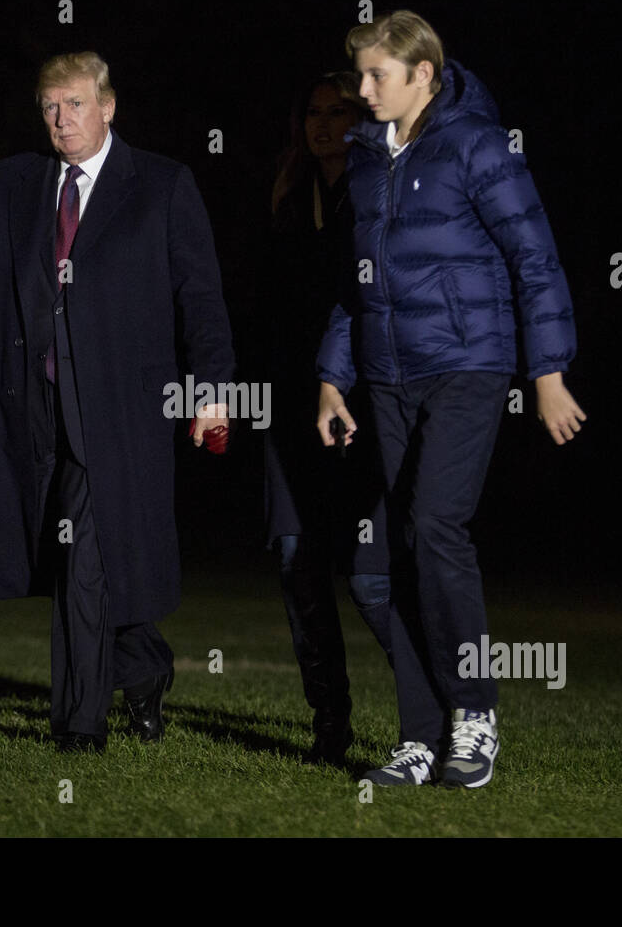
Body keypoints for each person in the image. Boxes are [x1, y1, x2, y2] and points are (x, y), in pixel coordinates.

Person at [0, 51, 236, 753]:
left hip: (121, 410)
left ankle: (79, 727)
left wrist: (212, 387)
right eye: (51, 107)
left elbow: (200, 298)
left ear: (109, 106)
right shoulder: (16, 182)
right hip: (35, 409)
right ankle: (144, 667)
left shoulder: (162, 185)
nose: (62, 119)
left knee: (84, 554)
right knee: (84, 555)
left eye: (76, 104)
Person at [316, 11, 586, 788]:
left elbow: (534, 257)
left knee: (435, 525)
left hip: (470, 366)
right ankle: (420, 736)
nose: (362, 91)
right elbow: (354, 283)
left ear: (423, 75)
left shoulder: (477, 146)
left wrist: (548, 372)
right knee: (397, 551)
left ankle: (475, 715)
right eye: (358, 75)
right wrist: (333, 377)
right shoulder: (366, 159)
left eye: (376, 77)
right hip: (387, 375)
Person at [255, 72, 394, 767]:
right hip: (287, 409)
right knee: (295, 561)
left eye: (339, 109)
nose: (322, 122)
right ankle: (329, 723)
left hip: (359, 405)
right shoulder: (286, 195)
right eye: (312, 110)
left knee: (372, 578)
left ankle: (441, 713)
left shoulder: (377, 191)